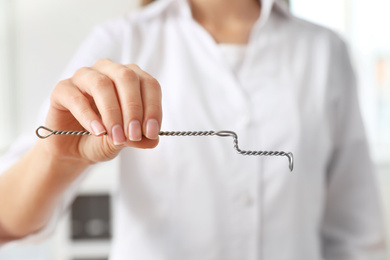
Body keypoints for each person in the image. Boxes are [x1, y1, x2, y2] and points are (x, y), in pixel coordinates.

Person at [0, 0, 386, 259]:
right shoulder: (124, 38)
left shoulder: (324, 50)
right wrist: (57, 157)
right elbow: (6, 222)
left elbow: (357, 236)